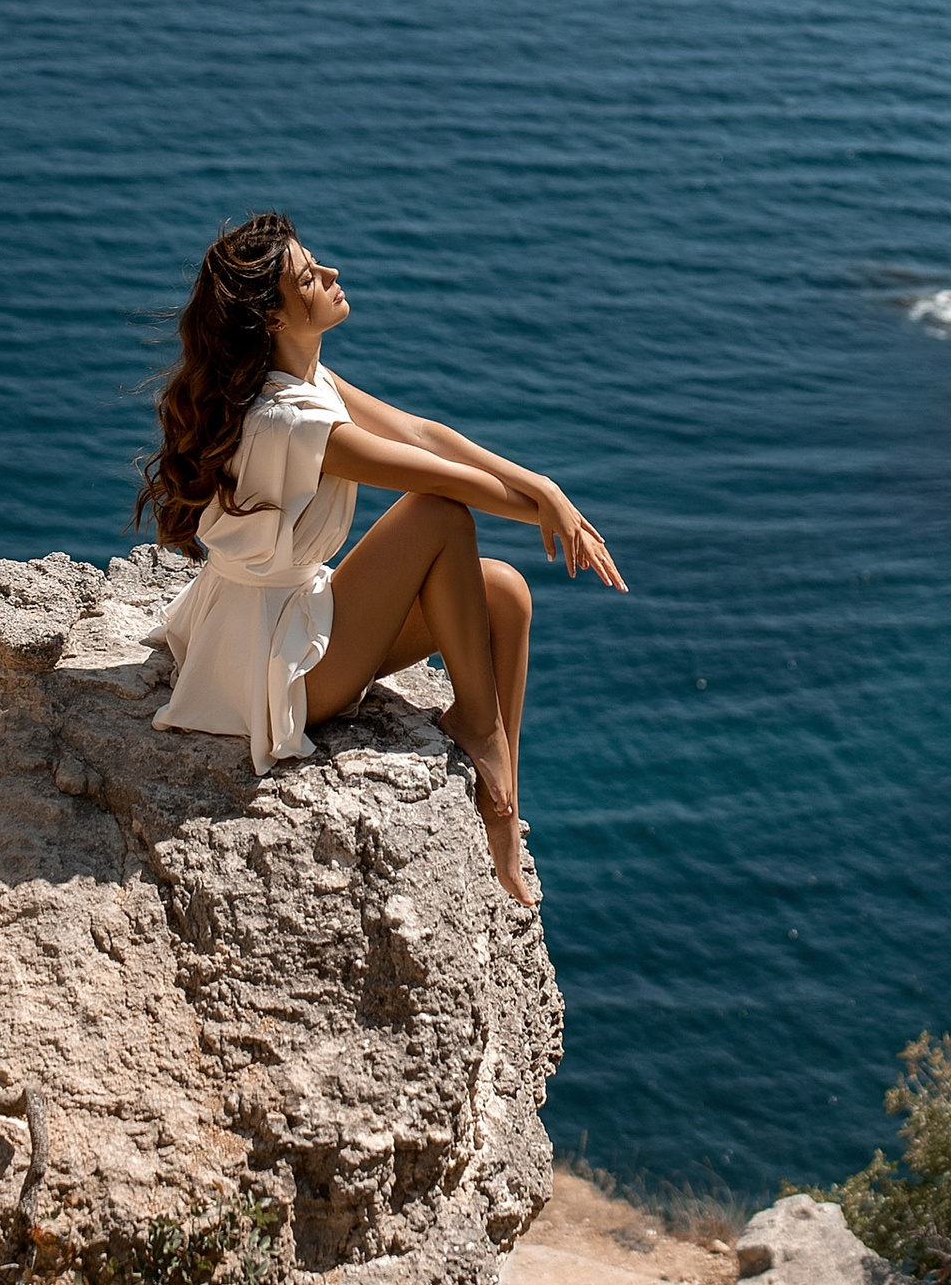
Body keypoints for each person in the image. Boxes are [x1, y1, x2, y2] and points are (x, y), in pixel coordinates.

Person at [139, 212, 624, 904]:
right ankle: (486, 748)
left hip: (300, 617)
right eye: (309, 277)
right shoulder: (288, 420)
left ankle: (500, 781)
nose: (331, 275)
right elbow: (440, 481)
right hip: (278, 665)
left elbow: (424, 433)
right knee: (436, 515)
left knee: (507, 595)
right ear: (274, 317)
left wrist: (545, 488)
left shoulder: (311, 382)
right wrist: (544, 506)